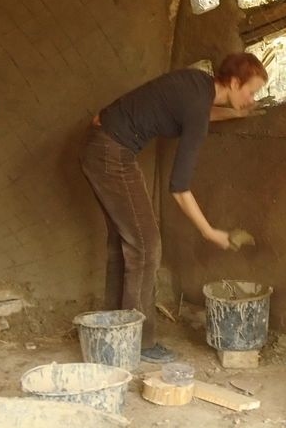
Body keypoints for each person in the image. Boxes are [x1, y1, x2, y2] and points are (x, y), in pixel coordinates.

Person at [81, 53, 268, 363]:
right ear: (235, 83)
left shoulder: (198, 84)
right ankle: (139, 342)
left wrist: (236, 113)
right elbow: (179, 187)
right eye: (251, 91)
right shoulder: (197, 105)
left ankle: (114, 330)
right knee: (146, 246)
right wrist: (210, 232)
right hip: (112, 155)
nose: (253, 99)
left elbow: (197, 113)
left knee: (125, 243)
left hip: (100, 144)